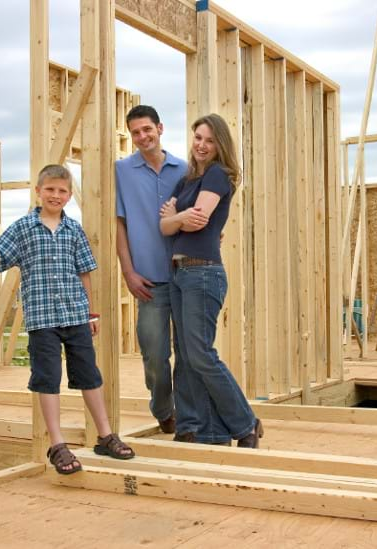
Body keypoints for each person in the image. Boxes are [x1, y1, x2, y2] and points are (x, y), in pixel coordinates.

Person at [0, 163, 134, 474]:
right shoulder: (23, 228)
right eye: (50, 189)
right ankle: (57, 444)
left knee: (90, 376)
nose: (55, 195)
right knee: (47, 379)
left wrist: (91, 312)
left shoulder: (74, 230)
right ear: (38, 191)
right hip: (42, 320)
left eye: (62, 191)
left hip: (76, 314)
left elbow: (84, 274)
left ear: (68, 196)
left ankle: (106, 435)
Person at [159, 113, 263, 448]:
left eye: (209, 140)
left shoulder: (218, 175)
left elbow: (198, 221)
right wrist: (179, 219)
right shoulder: (188, 180)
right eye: (198, 138)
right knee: (185, 355)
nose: (202, 145)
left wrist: (178, 218)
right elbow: (165, 227)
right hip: (178, 274)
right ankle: (198, 428)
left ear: (220, 145)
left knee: (201, 353)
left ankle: (246, 423)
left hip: (203, 272)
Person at [116, 105, 188, 434]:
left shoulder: (185, 171)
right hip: (148, 281)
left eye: (147, 129)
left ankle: (188, 415)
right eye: (135, 132)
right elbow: (119, 224)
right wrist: (128, 272)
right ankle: (163, 409)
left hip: (186, 276)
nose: (142, 137)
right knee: (155, 357)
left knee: (190, 354)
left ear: (160, 128)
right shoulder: (122, 171)